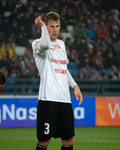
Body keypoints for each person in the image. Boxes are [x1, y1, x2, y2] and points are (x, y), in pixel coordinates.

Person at [32, 12, 83, 150]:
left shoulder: (61, 44)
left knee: (68, 140)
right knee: (44, 141)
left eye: (57, 26)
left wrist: (75, 85)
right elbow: (45, 46)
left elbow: (63, 68)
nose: (55, 30)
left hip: (65, 100)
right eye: (51, 26)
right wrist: (42, 27)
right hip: (48, 99)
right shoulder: (37, 43)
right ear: (45, 27)